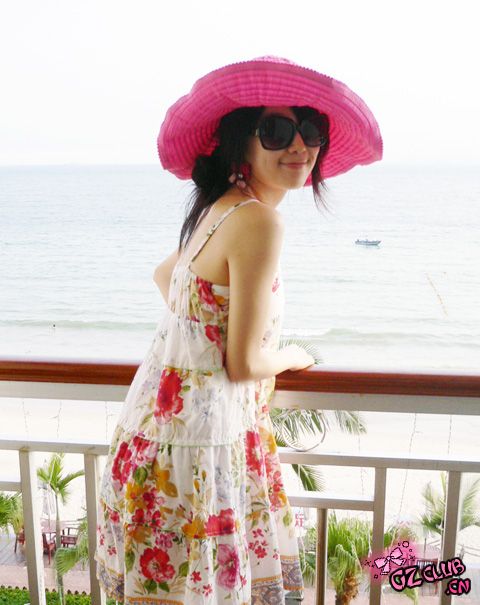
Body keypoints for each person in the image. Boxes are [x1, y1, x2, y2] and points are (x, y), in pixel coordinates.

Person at [94, 55, 382, 604]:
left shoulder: (220, 208)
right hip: (196, 452)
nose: (299, 146)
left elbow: (166, 276)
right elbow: (244, 363)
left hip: (153, 436)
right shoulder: (259, 220)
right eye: (276, 132)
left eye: (310, 130)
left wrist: (201, 340)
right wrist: (291, 354)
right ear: (240, 144)